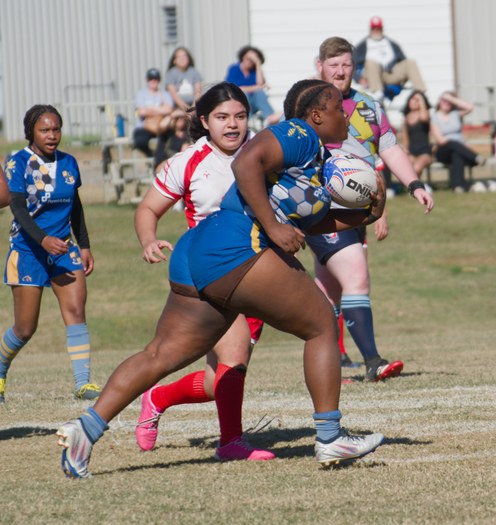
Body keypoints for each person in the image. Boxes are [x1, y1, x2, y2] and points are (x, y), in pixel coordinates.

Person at [56, 79, 387, 479]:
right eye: (338, 108)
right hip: (236, 246)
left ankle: (85, 430)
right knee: (321, 323)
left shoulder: (312, 163)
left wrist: (366, 213)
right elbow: (244, 163)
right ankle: (331, 437)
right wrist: (272, 226)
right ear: (316, 115)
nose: (346, 115)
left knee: (162, 355)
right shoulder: (298, 132)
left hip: (200, 252)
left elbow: (316, 223)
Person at [134, 82, 273, 461]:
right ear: (204, 121)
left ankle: (157, 398)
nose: (233, 125)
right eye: (222, 117)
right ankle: (231, 444)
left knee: (221, 379)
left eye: (240, 117)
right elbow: (147, 210)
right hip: (212, 275)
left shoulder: (264, 152)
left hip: (261, 274)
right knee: (235, 358)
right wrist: (148, 239)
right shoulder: (188, 161)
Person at [306, 36, 434, 382]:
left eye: (347, 65)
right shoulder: (307, 107)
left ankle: (329, 363)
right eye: (334, 65)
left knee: (330, 291)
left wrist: (414, 184)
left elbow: (390, 149)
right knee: (357, 278)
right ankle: (373, 361)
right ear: (320, 67)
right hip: (323, 209)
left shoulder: (368, 106)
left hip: (358, 210)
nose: (341, 71)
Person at [1, 105, 100, 403]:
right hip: (28, 250)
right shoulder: (18, 162)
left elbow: (76, 207)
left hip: (63, 251)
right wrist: (42, 240)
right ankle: (1, 370)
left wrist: (83, 245)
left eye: (56, 129)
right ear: (31, 131)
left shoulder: (68, 162)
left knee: (76, 313)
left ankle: (83, 383)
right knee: (25, 327)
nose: (52, 135)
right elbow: (17, 207)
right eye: (45, 130)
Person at [353, 16, 427, 100]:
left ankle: (421, 93)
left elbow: (402, 59)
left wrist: (402, 81)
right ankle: (377, 94)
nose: (376, 30)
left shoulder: (391, 43)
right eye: (374, 28)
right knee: (371, 63)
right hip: (371, 75)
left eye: (378, 28)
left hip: (390, 73)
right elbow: (353, 65)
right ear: (370, 29)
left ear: (382, 28)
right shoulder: (362, 45)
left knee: (410, 62)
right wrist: (358, 78)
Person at [430, 91, 488, 193]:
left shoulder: (455, 114)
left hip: (459, 150)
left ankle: (458, 187)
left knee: (457, 154)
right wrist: (456, 142)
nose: (447, 103)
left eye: (449, 101)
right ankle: (475, 157)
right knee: (452, 143)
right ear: (439, 101)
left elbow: (470, 107)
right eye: (444, 100)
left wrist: (451, 98)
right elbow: (441, 140)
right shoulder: (434, 117)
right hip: (443, 151)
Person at [224, 45, 281, 127]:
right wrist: (257, 87)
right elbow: (235, 89)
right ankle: (247, 120)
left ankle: (269, 118)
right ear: (243, 57)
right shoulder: (234, 69)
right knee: (243, 94)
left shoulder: (254, 71)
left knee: (259, 93)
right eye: (248, 59)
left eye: (252, 60)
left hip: (254, 103)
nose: (249, 62)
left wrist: (258, 63)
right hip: (239, 103)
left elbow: (260, 84)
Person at [132, 68, 175, 157]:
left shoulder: (164, 94)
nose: (153, 81)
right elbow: (142, 112)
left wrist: (150, 109)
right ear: (147, 80)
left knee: (169, 142)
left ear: (159, 80)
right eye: (150, 79)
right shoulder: (141, 94)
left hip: (161, 126)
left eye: (155, 79)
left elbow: (169, 109)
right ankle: (150, 155)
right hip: (144, 127)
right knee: (139, 141)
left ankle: (161, 158)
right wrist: (160, 110)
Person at [401, 90, 434, 177]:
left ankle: (418, 187)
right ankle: (417, 187)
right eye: (413, 99)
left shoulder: (425, 114)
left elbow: (424, 117)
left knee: (416, 168)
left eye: (417, 100)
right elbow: (405, 138)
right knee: (407, 169)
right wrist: (406, 152)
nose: (415, 102)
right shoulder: (406, 118)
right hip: (411, 152)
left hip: (425, 152)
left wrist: (421, 99)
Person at [165, 47, 203, 113]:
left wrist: (193, 108)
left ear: (188, 59)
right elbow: (173, 95)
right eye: (179, 56)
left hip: (193, 106)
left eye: (184, 56)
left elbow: (198, 92)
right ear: (174, 60)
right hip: (176, 107)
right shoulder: (170, 74)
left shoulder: (194, 72)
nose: (182, 58)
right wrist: (186, 108)